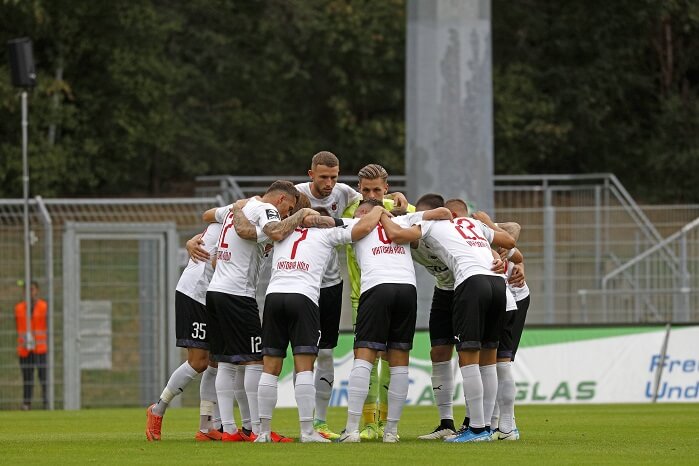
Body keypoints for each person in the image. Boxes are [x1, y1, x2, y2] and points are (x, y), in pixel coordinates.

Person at [379, 199, 516, 443]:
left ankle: (476, 429)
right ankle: (482, 426)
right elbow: (509, 241)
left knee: (469, 358)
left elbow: (397, 235)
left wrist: (381, 214)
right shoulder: (471, 223)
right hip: (495, 284)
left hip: (470, 284)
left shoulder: (428, 224)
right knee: (488, 359)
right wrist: (487, 228)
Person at [254, 198, 386, 443]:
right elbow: (362, 228)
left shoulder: (282, 233)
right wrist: (378, 209)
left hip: (273, 298)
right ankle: (307, 431)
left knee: (270, 367)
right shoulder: (326, 235)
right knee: (305, 366)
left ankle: (262, 432)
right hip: (303, 298)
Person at [204, 180, 316, 443]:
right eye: (289, 207)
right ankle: (257, 429)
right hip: (237, 294)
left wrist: (236, 206)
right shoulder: (267, 210)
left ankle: (230, 431)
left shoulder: (240, 208)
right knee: (255, 361)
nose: (288, 213)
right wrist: (300, 215)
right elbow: (276, 232)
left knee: (226, 362)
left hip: (216, 290)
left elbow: (208, 214)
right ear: (280, 199)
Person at [337, 199, 452, 443]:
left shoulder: (355, 224)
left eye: (361, 211)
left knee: (364, 355)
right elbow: (443, 213)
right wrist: (391, 213)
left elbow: (443, 211)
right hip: (406, 290)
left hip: (377, 287)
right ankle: (391, 432)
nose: (358, 215)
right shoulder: (404, 221)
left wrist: (382, 212)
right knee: (399, 360)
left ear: (365, 212)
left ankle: (351, 430)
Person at [341, 163, 414, 440]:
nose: (371, 193)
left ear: (386, 187)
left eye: (377, 189)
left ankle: (382, 424)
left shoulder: (403, 209)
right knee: (375, 365)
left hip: (375, 289)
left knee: (376, 358)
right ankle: (372, 424)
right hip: (363, 293)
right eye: (366, 189)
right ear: (359, 188)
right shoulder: (351, 210)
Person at [294, 151, 361, 439]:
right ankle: (300, 423)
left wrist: (397, 198)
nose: (330, 183)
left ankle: (319, 422)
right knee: (298, 353)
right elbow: (260, 208)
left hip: (331, 285)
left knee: (325, 352)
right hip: (299, 283)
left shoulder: (345, 193)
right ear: (311, 175)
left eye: (334, 177)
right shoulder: (295, 195)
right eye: (323, 177)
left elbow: (373, 201)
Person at [145, 224, 223, 441]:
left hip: (219, 295)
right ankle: (157, 409)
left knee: (215, 361)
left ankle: (207, 427)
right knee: (198, 361)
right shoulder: (241, 215)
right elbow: (210, 215)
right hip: (196, 293)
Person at [491, 245, 529, 441]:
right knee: (491, 361)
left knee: (500, 361)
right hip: (493, 296)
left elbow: (514, 227)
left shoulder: (482, 226)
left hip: (512, 298)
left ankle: (506, 425)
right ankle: (497, 424)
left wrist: (510, 250)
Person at [14, 281, 48, 411]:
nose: (30, 292)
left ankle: (46, 401)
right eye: (27, 290)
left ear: (37, 291)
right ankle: (26, 403)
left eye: (32, 289)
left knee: (43, 376)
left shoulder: (43, 307)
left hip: (40, 348)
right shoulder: (19, 308)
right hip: (25, 349)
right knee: (27, 377)